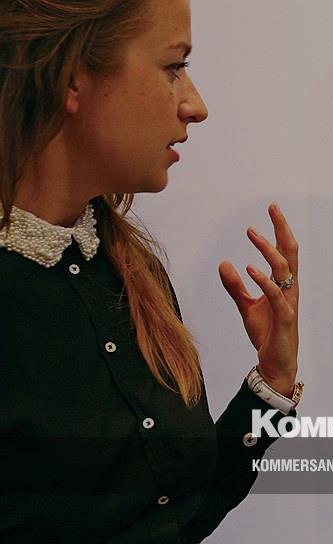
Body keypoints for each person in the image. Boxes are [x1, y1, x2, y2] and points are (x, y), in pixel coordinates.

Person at [0, 0, 302, 541]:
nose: (196, 105)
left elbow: (179, 518)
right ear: (73, 79)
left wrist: (271, 384)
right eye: (173, 66)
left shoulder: (133, 272)